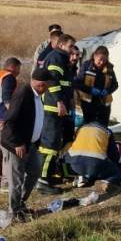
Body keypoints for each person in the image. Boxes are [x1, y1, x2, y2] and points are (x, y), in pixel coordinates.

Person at [1, 67, 51, 221]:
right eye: (47, 84)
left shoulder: (37, 96)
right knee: (17, 180)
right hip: (17, 145)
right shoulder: (23, 94)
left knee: (35, 171)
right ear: (40, 84)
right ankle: (14, 212)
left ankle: (21, 202)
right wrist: (17, 143)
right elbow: (9, 122)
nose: (48, 87)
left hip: (31, 144)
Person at [39, 34, 77, 191]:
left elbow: (65, 83)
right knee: (50, 144)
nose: (72, 49)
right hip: (53, 107)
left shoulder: (62, 58)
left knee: (55, 143)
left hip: (58, 107)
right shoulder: (56, 58)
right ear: (61, 45)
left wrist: (69, 101)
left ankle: (49, 176)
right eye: (70, 46)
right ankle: (42, 180)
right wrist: (60, 102)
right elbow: (53, 81)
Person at [0, 57, 21, 191]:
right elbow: (7, 99)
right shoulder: (9, 77)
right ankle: (6, 183)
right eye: (18, 68)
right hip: (2, 118)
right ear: (13, 67)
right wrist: (14, 116)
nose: (19, 72)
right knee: (8, 150)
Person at [65, 121, 121, 190]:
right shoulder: (107, 131)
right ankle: (107, 182)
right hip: (95, 164)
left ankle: (78, 176)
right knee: (118, 173)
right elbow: (114, 156)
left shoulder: (80, 129)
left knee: (87, 168)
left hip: (73, 165)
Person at [75, 46, 119, 125]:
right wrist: (90, 90)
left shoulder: (109, 68)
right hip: (88, 104)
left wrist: (107, 91)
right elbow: (78, 83)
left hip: (104, 105)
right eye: (100, 59)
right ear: (95, 56)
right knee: (89, 126)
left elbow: (115, 85)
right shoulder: (86, 65)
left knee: (103, 126)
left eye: (104, 60)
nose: (102, 62)